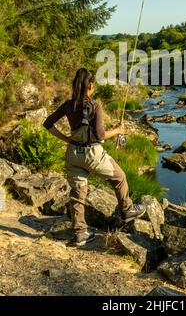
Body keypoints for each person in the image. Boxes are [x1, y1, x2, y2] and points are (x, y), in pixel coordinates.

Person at [43, 68, 145, 246]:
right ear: (90, 85)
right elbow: (99, 136)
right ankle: (127, 210)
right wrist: (118, 130)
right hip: (92, 155)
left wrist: (66, 138)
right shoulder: (95, 106)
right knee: (120, 178)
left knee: (77, 195)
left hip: (73, 154)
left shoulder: (68, 104)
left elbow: (48, 123)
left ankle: (80, 233)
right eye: (93, 83)